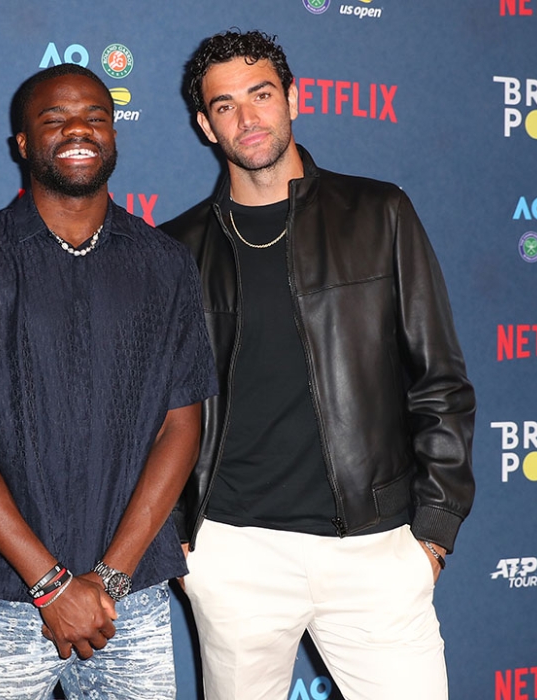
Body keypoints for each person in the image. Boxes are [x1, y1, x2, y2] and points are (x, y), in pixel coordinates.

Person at [160, 29, 476, 700]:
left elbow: (440, 381)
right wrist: (179, 541)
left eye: (261, 94)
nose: (247, 118)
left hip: (375, 550)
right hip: (234, 554)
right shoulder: (177, 250)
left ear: (294, 99)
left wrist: (434, 534)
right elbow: (154, 411)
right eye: (224, 105)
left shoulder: (379, 213)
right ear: (205, 125)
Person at [0, 63, 218, 699]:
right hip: (2, 597)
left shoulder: (166, 265)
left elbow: (182, 426)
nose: (78, 129)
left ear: (114, 136)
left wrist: (110, 578)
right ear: (23, 143)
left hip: (130, 598)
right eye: (55, 119)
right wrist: (51, 585)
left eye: (96, 117)